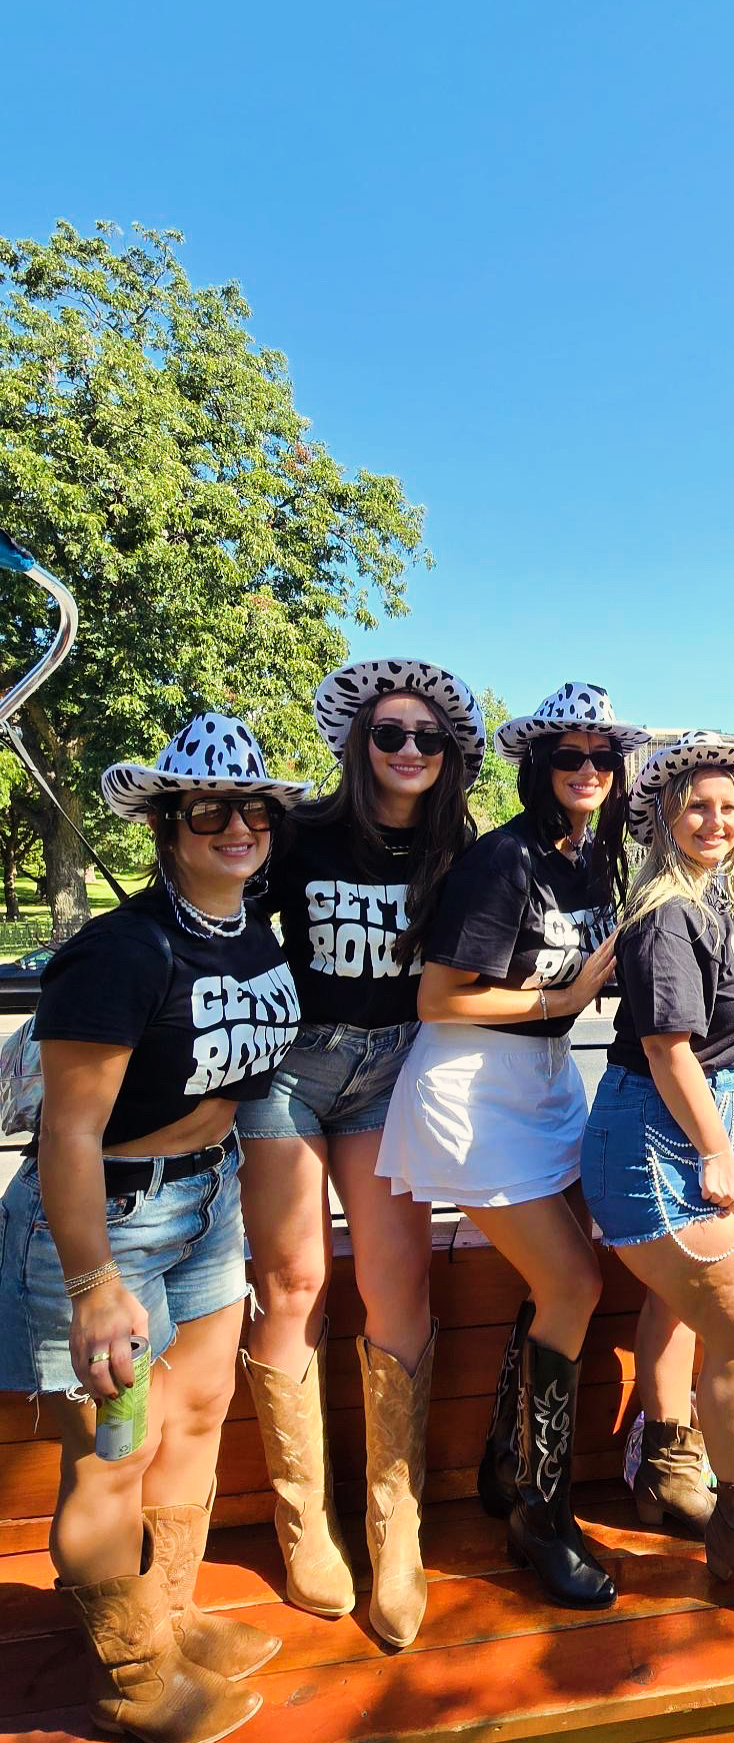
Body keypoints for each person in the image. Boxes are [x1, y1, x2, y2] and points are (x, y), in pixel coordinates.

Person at [0, 714, 306, 1743]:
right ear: (168, 825)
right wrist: (92, 1285)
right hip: (110, 1224)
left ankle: (169, 1614)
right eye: (209, 810)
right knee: (112, 1455)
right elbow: (69, 1133)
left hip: (205, 1206)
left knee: (201, 1409)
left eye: (254, 809)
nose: (237, 826)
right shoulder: (117, 953)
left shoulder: (249, 930)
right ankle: (130, 1671)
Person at [378, 682, 646, 1609]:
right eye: (568, 758)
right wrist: (562, 1004)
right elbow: (438, 996)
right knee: (574, 1281)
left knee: (560, 1278)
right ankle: (541, 1512)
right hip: (473, 1087)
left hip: (544, 1085)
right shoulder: (507, 859)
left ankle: (508, 1461)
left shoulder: (594, 860)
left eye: (602, 759)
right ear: (539, 768)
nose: (587, 773)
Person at [236, 660, 482, 1647]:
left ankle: (397, 1524)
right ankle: (307, 1525)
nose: (410, 751)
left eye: (428, 737)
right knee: (292, 1283)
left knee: (397, 1288)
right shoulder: (302, 834)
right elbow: (225, 918)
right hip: (292, 1070)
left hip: (392, 1075)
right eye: (392, 735)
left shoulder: (459, 851)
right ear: (362, 742)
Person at [581, 732, 734, 1621]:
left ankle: (668, 1471)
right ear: (662, 817)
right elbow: (667, 1048)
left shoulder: (723, 903)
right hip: (661, 1136)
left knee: (685, 1307)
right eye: (696, 806)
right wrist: (720, 1150)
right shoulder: (667, 914)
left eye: (727, 806)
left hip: (703, 1126)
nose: (714, 820)